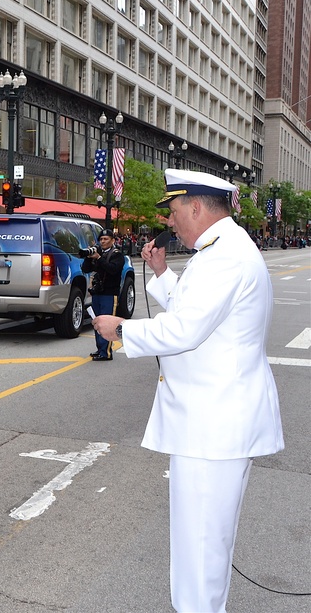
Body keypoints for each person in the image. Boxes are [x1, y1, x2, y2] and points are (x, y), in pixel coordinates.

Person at [93, 170, 284, 613]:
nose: (171, 222)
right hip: (213, 424)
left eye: (174, 211)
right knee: (204, 547)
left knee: (200, 550)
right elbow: (199, 313)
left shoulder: (224, 256)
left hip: (212, 427)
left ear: (196, 206)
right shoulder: (222, 249)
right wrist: (160, 274)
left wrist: (121, 329)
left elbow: (186, 328)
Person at [81, 228, 124, 361]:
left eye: (106, 239)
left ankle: (106, 352)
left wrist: (99, 258)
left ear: (113, 240)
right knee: (97, 322)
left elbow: (112, 270)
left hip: (110, 294)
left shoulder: (117, 255)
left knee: (107, 323)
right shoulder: (98, 253)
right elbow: (85, 269)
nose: (103, 241)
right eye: (101, 239)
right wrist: (89, 258)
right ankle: (100, 349)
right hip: (97, 293)